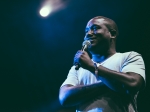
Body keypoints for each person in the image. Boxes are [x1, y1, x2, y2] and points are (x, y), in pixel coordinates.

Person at [59, 16, 145, 112]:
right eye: (86, 31)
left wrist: (92, 66)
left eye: (95, 28)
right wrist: (110, 83)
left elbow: (132, 83)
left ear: (112, 34)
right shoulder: (78, 68)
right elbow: (64, 97)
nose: (89, 33)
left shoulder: (129, 57)